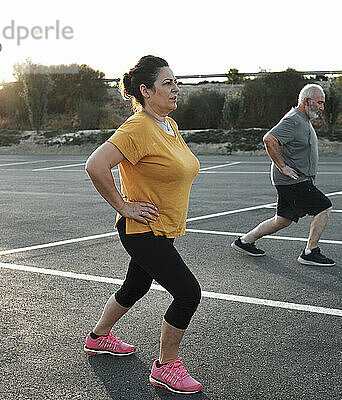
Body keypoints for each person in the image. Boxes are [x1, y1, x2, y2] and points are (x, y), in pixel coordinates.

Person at [83, 55, 202, 395]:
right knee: (187, 293)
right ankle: (166, 367)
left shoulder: (168, 124)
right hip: (142, 230)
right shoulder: (138, 127)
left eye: (175, 81)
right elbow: (95, 165)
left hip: (162, 227)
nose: (176, 88)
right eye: (168, 83)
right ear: (146, 91)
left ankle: (98, 338)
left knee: (136, 286)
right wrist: (122, 205)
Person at [231, 83, 335, 267]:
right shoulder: (294, 120)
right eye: (319, 103)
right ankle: (310, 252)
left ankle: (245, 241)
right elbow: (269, 139)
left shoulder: (303, 120)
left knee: (283, 220)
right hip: (293, 181)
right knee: (323, 207)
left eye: (323, 103)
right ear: (307, 101)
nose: (321, 107)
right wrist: (282, 167)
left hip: (295, 180)